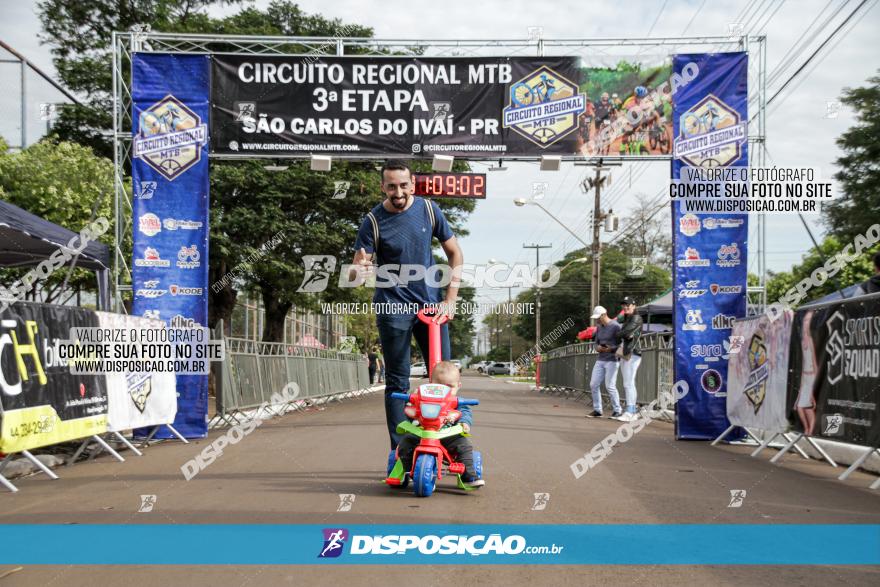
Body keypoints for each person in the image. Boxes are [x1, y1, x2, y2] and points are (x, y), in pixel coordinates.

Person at [352, 161, 464, 450]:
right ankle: (401, 453)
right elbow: (357, 267)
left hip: (431, 310)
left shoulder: (429, 210)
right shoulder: (373, 221)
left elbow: (455, 254)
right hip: (393, 310)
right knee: (398, 384)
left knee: (444, 381)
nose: (398, 191)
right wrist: (359, 270)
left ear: (412, 184)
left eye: (403, 185)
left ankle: (448, 447)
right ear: (383, 187)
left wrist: (450, 301)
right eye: (391, 186)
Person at [395, 361, 484, 488]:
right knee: (405, 443)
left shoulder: (458, 402)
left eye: (449, 387)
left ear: (458, 386)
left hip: (448, 435)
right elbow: (411, 413)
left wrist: (464, 422)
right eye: (439, 386)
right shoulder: (422, 399)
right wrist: (413, 401)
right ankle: (407, 470)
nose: (444, 391)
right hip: (423, 433)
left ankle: (469, 476)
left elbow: (465, 413)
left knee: (465, 446)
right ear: (430, 384)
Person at [586, 305, 623, 418]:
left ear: (604, 315)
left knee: (610, 386)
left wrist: (610, 349)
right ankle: (597, 410)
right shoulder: (599, 327)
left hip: (613, 360)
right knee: (593, 384)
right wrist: (598, 348)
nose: (597, 319)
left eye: (598, 317)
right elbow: (596, 342)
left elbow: (621, 344)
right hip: (601, 359)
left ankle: (617, 410)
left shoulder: (616, 326)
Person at [614, 296, 643, 422]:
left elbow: (622, 334)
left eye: (628, 305)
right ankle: (632, 411)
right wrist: (623, 334)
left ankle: (630, 411)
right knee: (629, 383)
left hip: (632, 353)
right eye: (623, 305)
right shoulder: (628, 318)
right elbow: (623, 334)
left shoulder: (636, 318)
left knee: (628, 383)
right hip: (628, 352)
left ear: (634, 305)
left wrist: (623, 333)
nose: (625, 307)